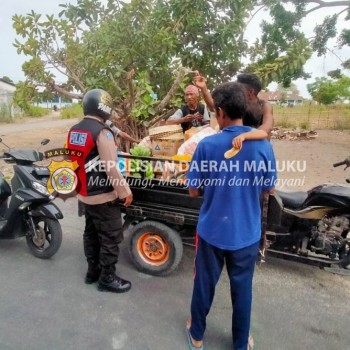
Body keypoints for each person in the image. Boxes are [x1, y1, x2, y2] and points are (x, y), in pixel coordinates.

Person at [185, 82, 277, 350]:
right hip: (246, 233)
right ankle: (240, 343)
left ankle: (197, 336)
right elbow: (269, 187)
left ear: (221, 112)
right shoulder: (263, 145)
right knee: (242, 290)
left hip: (212, 230)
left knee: (204, 284)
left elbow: (192, 190)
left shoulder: (207, 145)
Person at [66, 88, 133, 293]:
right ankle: (107, 279)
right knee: (110, 237)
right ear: (104, 108)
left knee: (91, 234)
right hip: (103, 196)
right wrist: (125, 192)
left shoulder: (75, 130)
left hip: (85, 195)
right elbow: (111, 167)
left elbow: (72, 161)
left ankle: (92, 272)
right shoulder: (102, 132)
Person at [194, 72, 274, 149]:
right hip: (238, 144)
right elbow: (215, 107)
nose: (236, 90)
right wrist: (204, 88)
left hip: (257, 147)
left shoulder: (265, 106)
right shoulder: (239, 104)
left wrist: (245, 136)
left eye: (240, 88)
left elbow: (266, 128)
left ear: (250, 92)